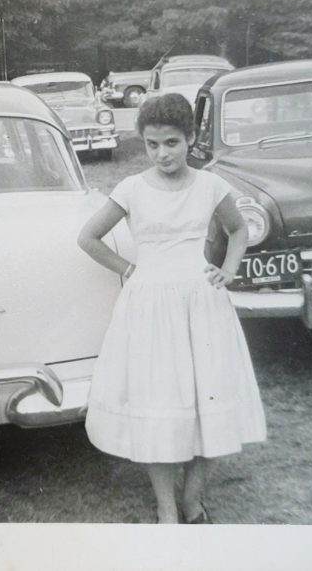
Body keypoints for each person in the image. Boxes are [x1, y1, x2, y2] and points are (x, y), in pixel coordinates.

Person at [77, 92, 267, 524]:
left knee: (209, 401)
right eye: (152, 144)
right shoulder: (130, 189)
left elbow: (238, 230)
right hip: (149, 307)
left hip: (202, 303)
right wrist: (127, 268)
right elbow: (87, 238)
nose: (162, 154)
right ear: (143, 143)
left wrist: (229, 270)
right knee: (159, 405)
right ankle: (166, 506)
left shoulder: (211, 185)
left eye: (172, 143)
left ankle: (193, 499)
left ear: (191, 138)